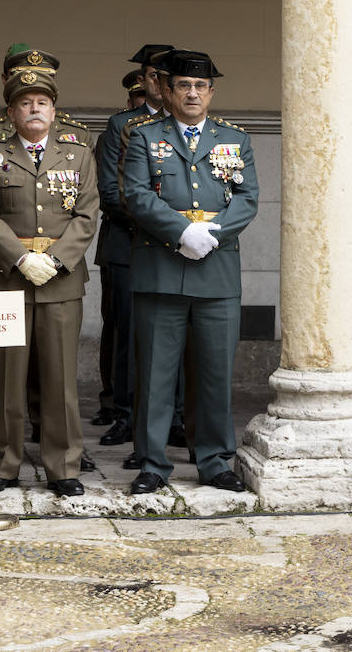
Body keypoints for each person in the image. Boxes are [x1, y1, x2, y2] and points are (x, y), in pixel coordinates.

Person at [121, 49, 259, 495]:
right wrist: (182, 232)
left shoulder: (235, 138)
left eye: (201, 86)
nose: (193, 93)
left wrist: (211, 232)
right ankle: (152, 463)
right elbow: (136, 195)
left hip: (217, 269)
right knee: (156, 373)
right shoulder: (143, 136)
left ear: (211, 92)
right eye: (184, 85)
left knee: (215, 372)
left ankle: (215, 460)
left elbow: (247, 197)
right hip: (161, 267)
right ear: (167, 90)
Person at [0, 70, 99, 497]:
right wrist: (23, 258)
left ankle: (63, 467)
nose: (34, 108)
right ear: (11, 112)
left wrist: (57, 260)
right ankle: (3, 465)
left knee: (60, 377)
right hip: (8, 277)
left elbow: (86, 214)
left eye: (42, 102)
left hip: (61, 281)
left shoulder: (78, 153)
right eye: (25, 103)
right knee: (7, 375)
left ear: (54, 110)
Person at [94, 44, 172, 455]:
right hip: (129, 244)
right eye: (152, 76)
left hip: (179, 249)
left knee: (177, 335)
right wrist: (167, 225)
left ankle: (174, 417)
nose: (158, 83)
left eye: (165, 75)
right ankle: (125, 413)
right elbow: (111, 191)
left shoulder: (192, 125)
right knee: (127, 333)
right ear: (144, 81)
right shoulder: (122, 125)